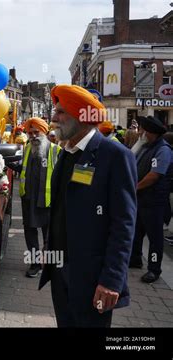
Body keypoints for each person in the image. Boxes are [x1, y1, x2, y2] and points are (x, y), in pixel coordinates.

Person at [39, 85, 137, 328]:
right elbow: (61, 210)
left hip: (94, 282)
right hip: (60, 274)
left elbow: (124, 224)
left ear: (81, 117)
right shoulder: (65, 153)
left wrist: (112, 280)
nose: (53, 118)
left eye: (60, 112)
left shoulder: (115, 156)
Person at [129, 116, 172, 283]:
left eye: (142, 130)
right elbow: (131, 160)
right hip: (141, 199)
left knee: (155, 238)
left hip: (154, 201)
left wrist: (135, 187)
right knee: (136, 232)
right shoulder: (145, 147)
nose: (140, 133)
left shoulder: (163, 150)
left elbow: (154, 175)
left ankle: (154, 269)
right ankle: (135, 259)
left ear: (149, 132)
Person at [19, 117, 61, 277]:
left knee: (49, 234)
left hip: (48, 200)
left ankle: (48, 264)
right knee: (30, 233)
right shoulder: (27, 148)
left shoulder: (56, 150)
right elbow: (21, 169)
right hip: (28, 199)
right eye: (30, 133)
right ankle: (35, 264)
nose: (33, 136)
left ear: (44, 131)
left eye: (36, 132)